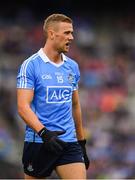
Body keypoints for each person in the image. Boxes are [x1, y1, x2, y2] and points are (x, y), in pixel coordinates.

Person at [16, 13, 89, 179]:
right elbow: (22, 106)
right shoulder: (30, 65)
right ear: (51, 34)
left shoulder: (72, 66)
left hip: (68, 143)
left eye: (72, 32)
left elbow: (75, 105)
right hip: (39, 142)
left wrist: (81, 141)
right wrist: (44, 133)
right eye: (67, 33)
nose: (71, 37)